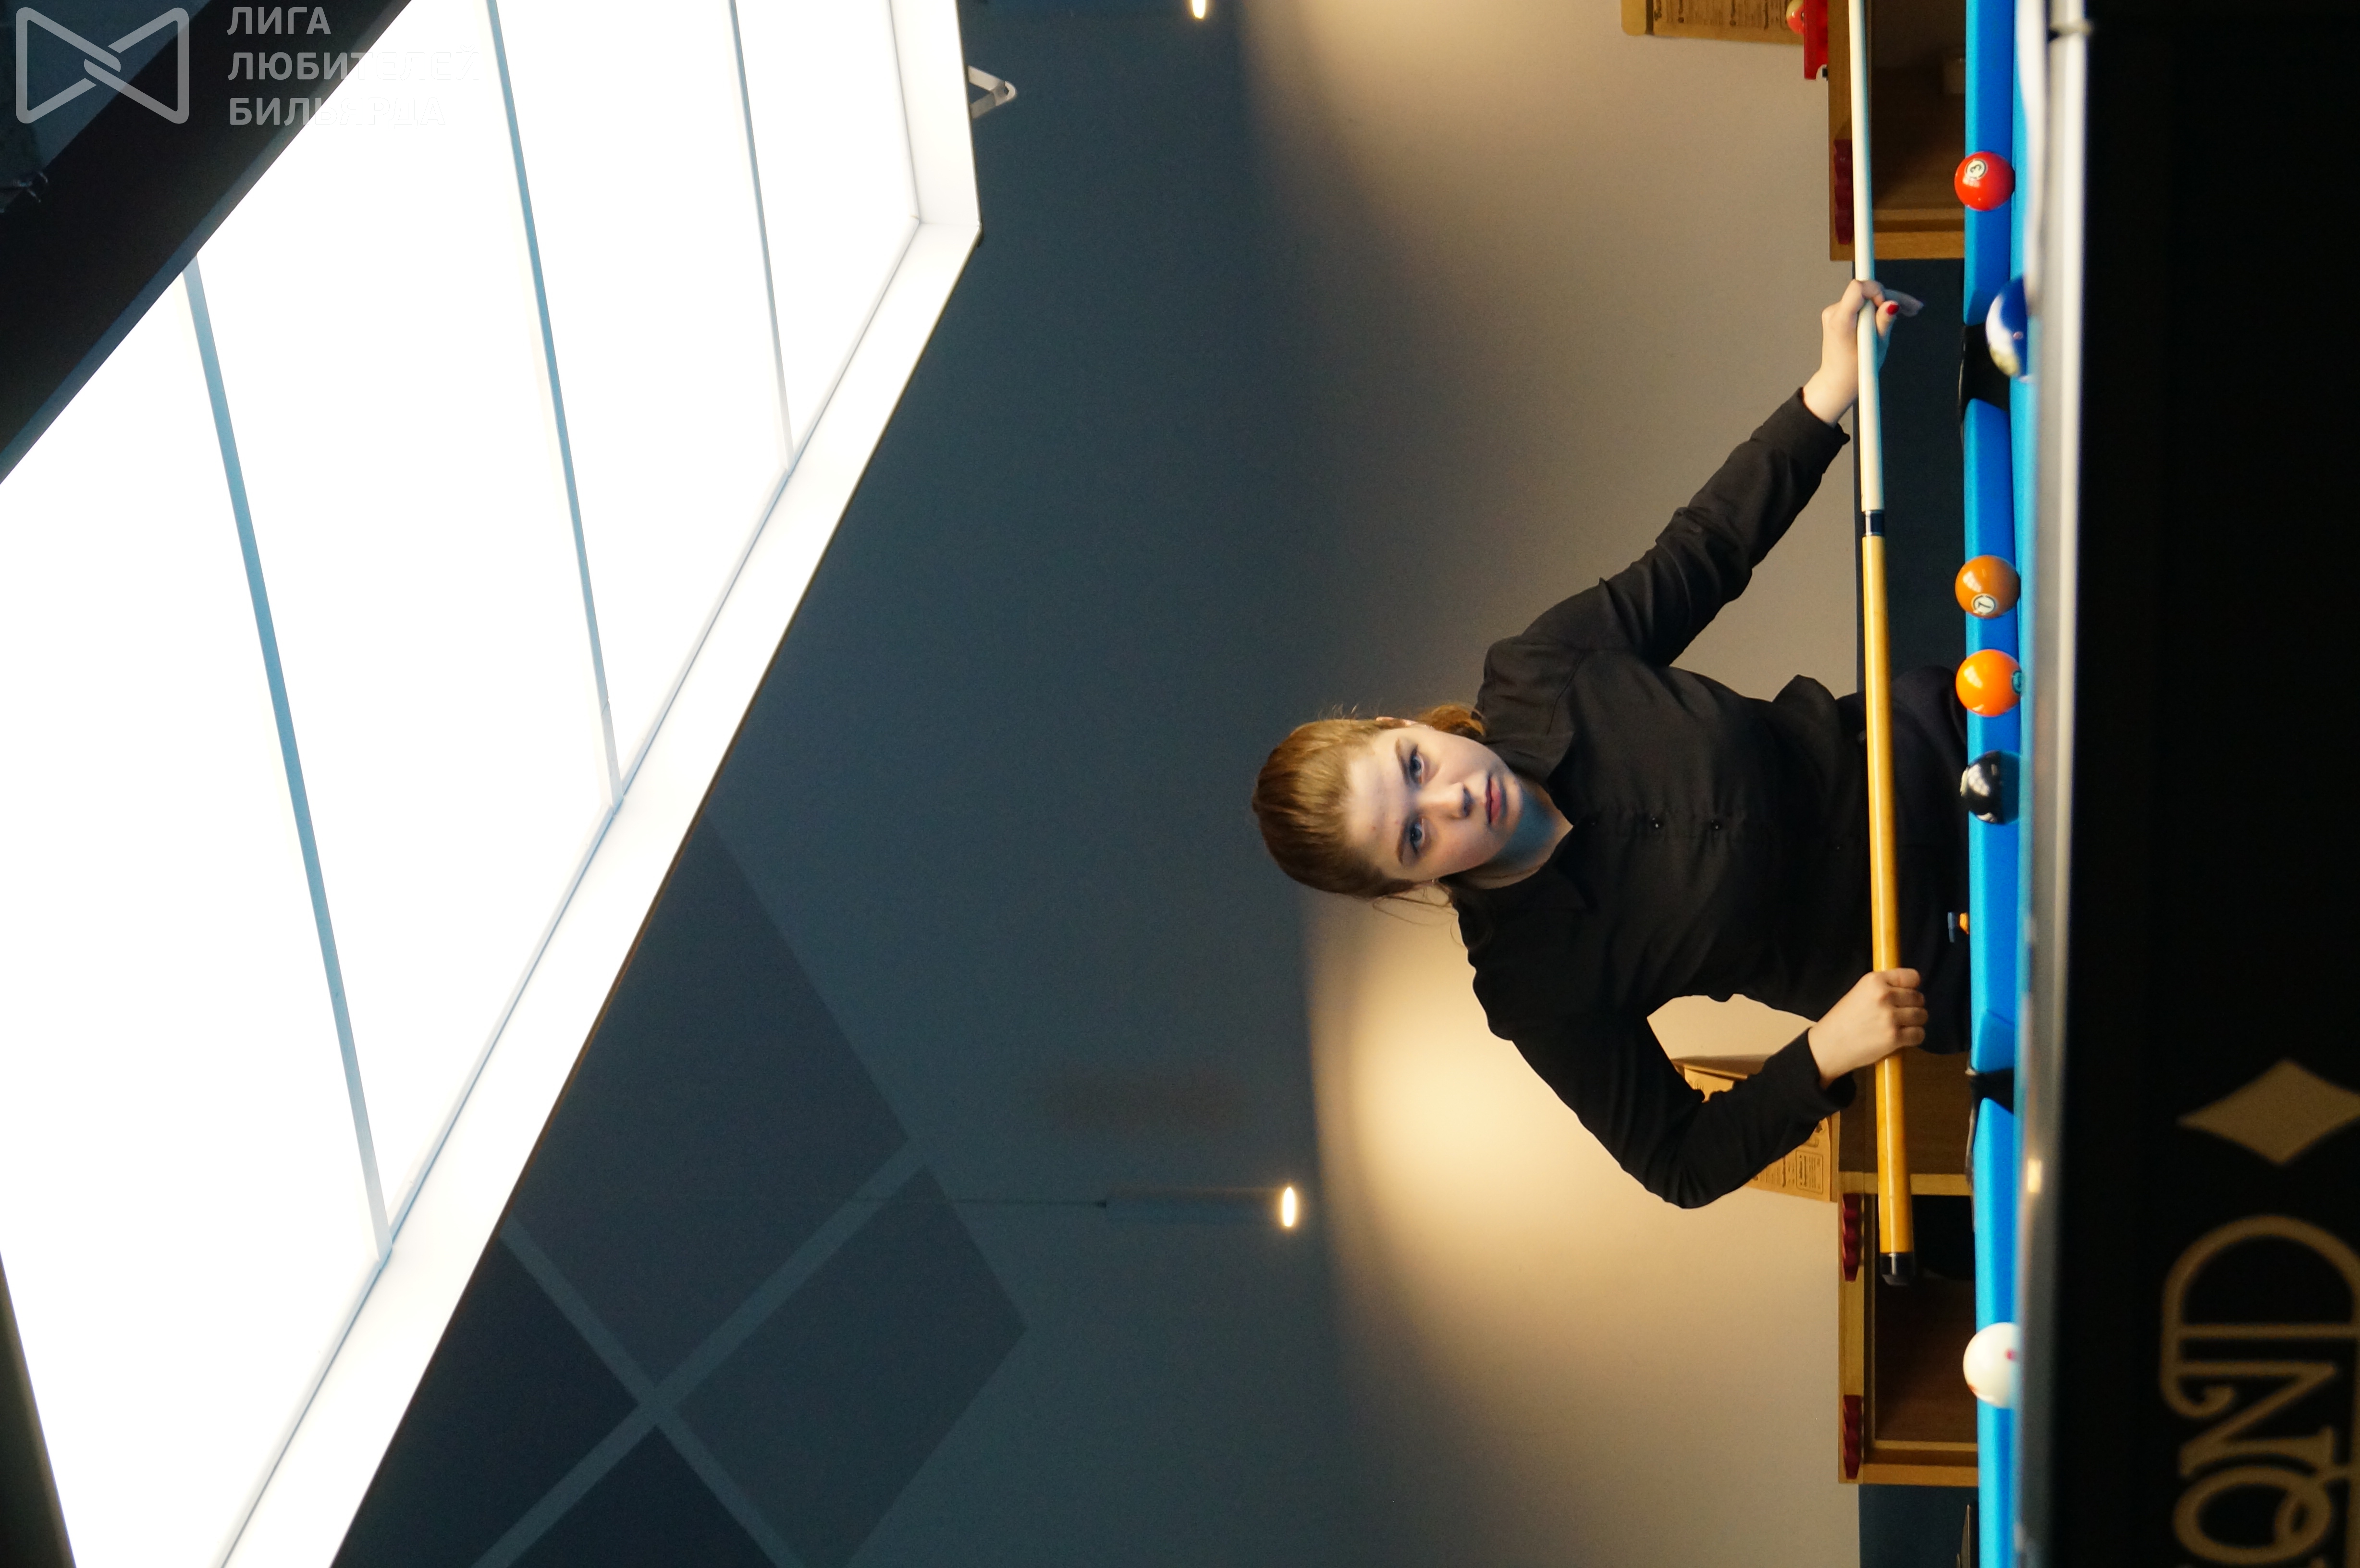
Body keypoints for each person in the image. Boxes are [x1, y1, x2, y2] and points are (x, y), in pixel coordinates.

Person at [1252, 281, 1969, 1208]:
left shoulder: (1539, 672)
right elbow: (1679, 1163)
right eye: (1415, 836)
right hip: (1936, 954)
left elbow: (1704, 551)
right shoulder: (1533, 982)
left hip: (1944, 744)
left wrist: (1829, 391)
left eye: (1415, 769)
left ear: (1401, 729)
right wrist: (1825, 1052)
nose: (1452, 800)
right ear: (1404, 884)